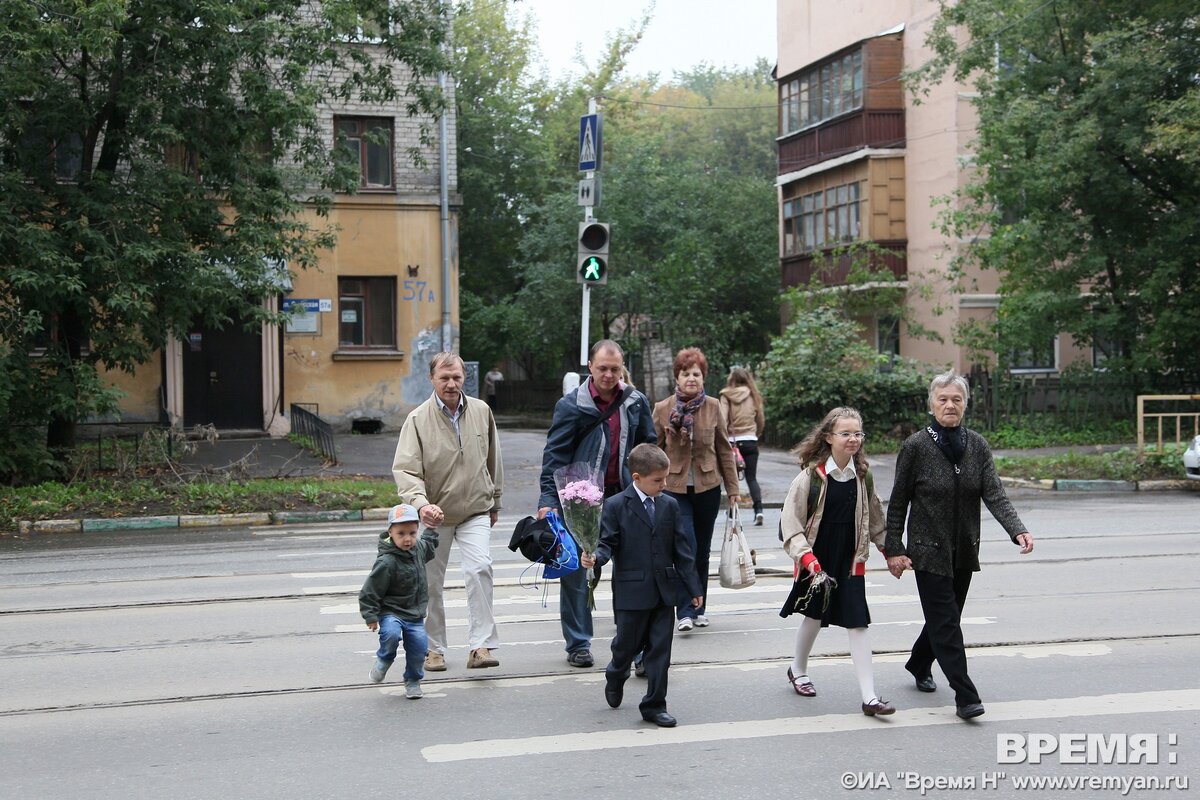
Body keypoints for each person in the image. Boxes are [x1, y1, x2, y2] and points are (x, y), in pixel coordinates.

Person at [885, 370, 1035, 720]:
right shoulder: (916, 447)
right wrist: (894, 546)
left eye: (957, 399)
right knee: (947, 623)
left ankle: (919, 662)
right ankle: (965, 696)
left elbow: (994, 494)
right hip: (926, 548)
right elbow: (898, 501)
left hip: (964, 548)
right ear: (931, 404)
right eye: (943, 399)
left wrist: (1017, 530)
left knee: (945, 618)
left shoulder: (977, 445)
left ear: (966, 404)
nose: (950, 405)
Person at [538, 339, 656, 668]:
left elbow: (649, 447)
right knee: (577, 570)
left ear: (622, 370)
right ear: (590, 367)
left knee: (633, 574)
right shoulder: (571, 405)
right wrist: (549, 498)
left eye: (614, 369)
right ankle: (578, 643)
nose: (608, 375)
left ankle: (638, 649)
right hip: (581, 502)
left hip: (626, 498)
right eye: (602, 368)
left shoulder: (635, 402)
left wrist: (652, 489)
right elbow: (554, 456)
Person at [392, 352, 504, 672]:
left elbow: (493, 458)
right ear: (432, 379)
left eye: (456, 377)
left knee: (480, 568)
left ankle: (480, 646)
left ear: (463, 377)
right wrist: (421, 505)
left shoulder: (481, 411)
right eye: (444, 378)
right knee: (428, 582)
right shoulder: (417, 419)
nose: (451, 384)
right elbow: (406, 471)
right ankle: (433, 650)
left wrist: (495, 500)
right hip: (432, 515)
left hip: (475, 511)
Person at [779, 407, 894, 716]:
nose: (853, 439)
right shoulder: (809, 479)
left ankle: (869, 697)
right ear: (828, 438)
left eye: (858, 433)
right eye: (845, 434)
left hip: (850, 559)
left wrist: (892, 552)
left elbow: (876, 521)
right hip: (817, 559)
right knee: (814, 616)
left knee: (858, 622)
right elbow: (790, 527)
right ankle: (797, 669)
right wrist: (809, 561)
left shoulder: (863, 476)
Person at [581, 444, 701, 727]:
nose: (664, 484)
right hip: (631, 592)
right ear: (637, 477)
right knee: (626, 645)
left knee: (660, 651)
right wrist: (595, 557)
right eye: (657, 480)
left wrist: (694, 589)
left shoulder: (669, 505)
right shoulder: (615, 505)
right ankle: (616, 671)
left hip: (664, 592)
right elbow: (607, 543)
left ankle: (654, 705)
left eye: (666, 478)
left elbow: (682, 550)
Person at [653, 347, 739, 632]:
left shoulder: (714, 406)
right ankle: (685, 611)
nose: (691, 378)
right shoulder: (663, 409)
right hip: (674, 488)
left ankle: (700, 607)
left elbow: (724, 450)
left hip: (708, 486)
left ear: (704, 378)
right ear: (676, 377)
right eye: (686, 373)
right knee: (685, 547)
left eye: (696, 374)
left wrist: (734, 489)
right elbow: (652, 451)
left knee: (702, 551)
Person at [359, 504, 439, 699]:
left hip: (414, 614)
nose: (407, 539)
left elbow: (428, 547)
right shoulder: (386, 562)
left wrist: (432, 529)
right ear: (390, 533)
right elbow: (370, 590)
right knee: (392, 634)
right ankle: (384, 660)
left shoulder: (418, 548)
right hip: (391, 612)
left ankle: (412, 680)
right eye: (401, 533)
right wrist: (370, 615)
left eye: (412, 533)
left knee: (419, 649)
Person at [720, 367, 766, 525]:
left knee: (732, 479)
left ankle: (732, 513)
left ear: (731, 379)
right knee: (751, 478)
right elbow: (760, 420)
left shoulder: (726, 395)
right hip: (750, 441)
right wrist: (755, 434)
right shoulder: (754, 395)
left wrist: (723, 436)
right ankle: (759, 511)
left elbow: (722, 419)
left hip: (732, 444)